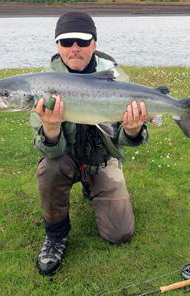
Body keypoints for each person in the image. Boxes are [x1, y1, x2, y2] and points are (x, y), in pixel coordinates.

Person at [31, 11, 149, 276]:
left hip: (102, 159)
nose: (74, 48)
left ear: (94, 43)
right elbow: (46, 148)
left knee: (120, 233)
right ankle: (55, 236)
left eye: (82, 42)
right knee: (50, 167)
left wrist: (133, 129)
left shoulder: (117, 78)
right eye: (66, 42)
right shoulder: (43, 85)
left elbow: (128, 140)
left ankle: (91, 185)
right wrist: (51, 130)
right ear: (57, 46)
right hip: (65, 160)